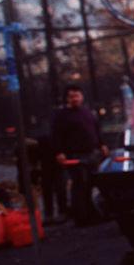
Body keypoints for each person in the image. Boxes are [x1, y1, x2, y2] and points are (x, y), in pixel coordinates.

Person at [51, 84, 108, 224]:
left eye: (77, 96)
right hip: (74, 155)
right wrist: (59, 152)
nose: (75, 99)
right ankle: (81, 217)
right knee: (79, 185)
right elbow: (56, 135)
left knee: (90, 183)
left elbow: (96, 130)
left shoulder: (87, 113)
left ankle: (92, 213)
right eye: (71, 96)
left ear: (82, 97)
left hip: (91, 153)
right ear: (67, 99)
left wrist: (102, 144)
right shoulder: (61, 116)